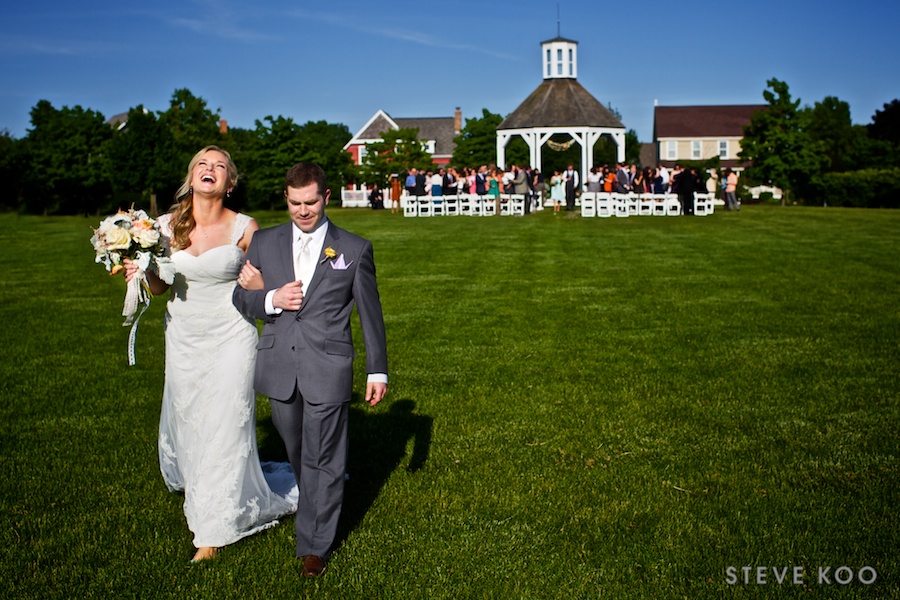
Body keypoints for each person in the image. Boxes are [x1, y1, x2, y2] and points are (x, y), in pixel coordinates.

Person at [123, 146, 298, 563]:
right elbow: (162, 287)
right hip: (183, 336)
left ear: (229, 183)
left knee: (225, 425)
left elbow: (271, 284)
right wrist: (141, 268)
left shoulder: (245, 227)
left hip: (232, 336)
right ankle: (207, 488)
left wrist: (259, 285)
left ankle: (213, 531)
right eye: (203, 163)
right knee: (191, 419)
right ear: (191, 175)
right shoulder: (162, 227)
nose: (210, 169)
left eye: (219, 166)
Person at [233, 162, 388, 578]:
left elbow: (371, 314)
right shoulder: (264, 243)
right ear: (286, 198)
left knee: (325, 458)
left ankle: (315, 545)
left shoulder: (353, 248)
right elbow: (240, 299)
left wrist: (378, 371)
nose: (303, 211)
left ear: (326, 197)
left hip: (328, 364)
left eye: (312, 202)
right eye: (295, 203)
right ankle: (319, 500)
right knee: (298, 450)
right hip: (280, 364)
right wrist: (269, 299)